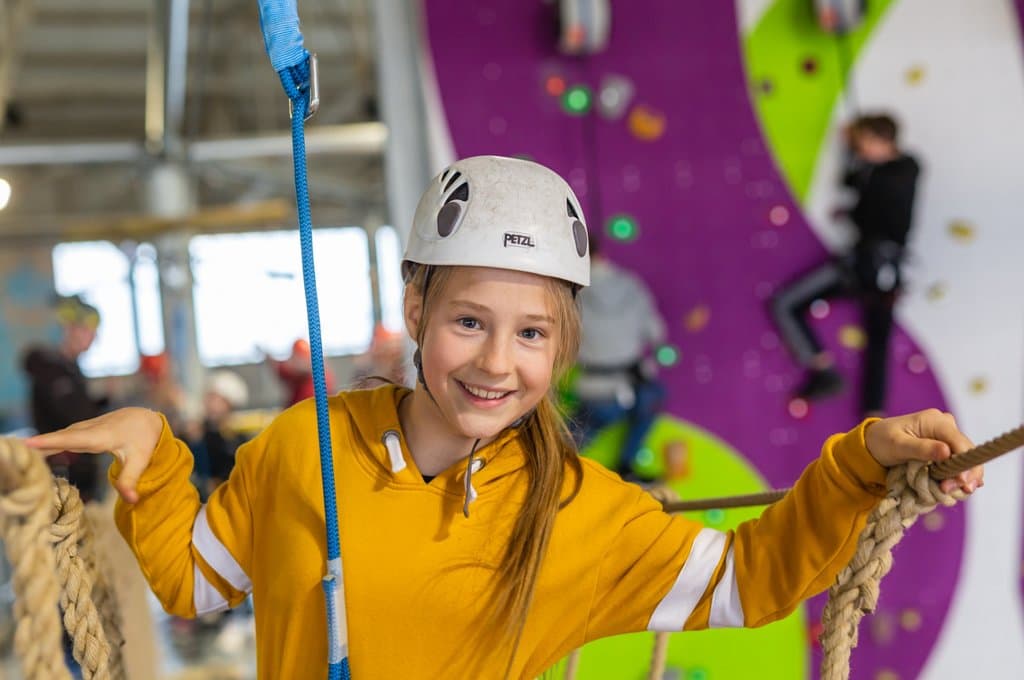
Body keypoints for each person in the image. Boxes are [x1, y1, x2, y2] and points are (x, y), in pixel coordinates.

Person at [26, 156, 982, 680]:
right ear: (415, 314)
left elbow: (748, 579)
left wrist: (860, 464)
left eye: (530, 333)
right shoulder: (301, 448)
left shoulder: (579, 508)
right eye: (469, 322)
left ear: (561, 344)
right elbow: (196, 584)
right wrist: (152, 457)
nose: (496, 362)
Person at [772, 113, 921, 417]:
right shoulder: (873, 170)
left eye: (865, 141)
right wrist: (852, 156)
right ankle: (833, 377)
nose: (861, 147)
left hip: (875, 266)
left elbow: (870, 199)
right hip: (869, 266)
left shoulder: (904, 169)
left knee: (877, 339)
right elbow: (851, 186)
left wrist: (860, 166)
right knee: (788, 304)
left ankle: (871, 412)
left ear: (883, 139)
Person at [573, 233, 667, 478]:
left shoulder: (570, 292)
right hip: (638, 386)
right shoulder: (631, 284)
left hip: (594, 389)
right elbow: (657, 333)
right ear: (601, 254)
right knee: (654, 400)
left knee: (573, 437)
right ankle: (626, 465)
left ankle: (548, 466)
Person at [20, 294, 109, 501]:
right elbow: (75, 416)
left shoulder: (71, 369)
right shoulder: (51, 369)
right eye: (87, 331)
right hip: (62, 473)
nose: (92, 338)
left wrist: (103, 401)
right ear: (70, 329)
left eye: (94, 332)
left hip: (80, 472)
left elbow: (78, 408)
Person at [187, 370, 250, 501]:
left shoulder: (237, 438)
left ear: (229, 404)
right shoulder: (197, 433)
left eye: (215, 399)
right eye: (209, 397)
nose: (209, 403)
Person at [265, 338, 335, 408]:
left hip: (308, 411)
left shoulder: (317, 376)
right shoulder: (298, 374)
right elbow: (284, 371)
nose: (294, 361)